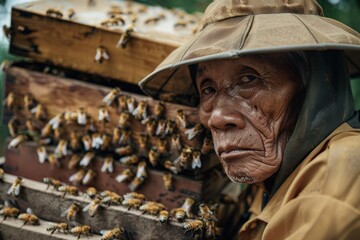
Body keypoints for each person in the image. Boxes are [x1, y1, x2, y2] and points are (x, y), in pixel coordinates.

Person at [139, 0, 360, 239]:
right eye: (208, 89)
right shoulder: (268, 181)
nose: (217, 118)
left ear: (315, 88)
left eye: (248, 80)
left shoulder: (343, 170)